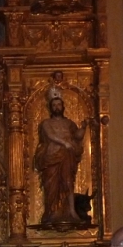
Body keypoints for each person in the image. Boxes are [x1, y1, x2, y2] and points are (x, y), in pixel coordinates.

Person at [34, 96, 87, 224]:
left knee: (68, 182)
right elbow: (50, 135)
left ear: (63, 107)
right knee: (51, 185)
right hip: (51, 156)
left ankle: (71, 212)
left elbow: (77, 137)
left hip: (67, 156)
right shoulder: (46, 123)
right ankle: (51, 212)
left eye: (59, 104)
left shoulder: (69, 123)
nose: (57, 107)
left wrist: (84, 127)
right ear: (51, 108)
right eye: (54, 105)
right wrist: (64, 143)